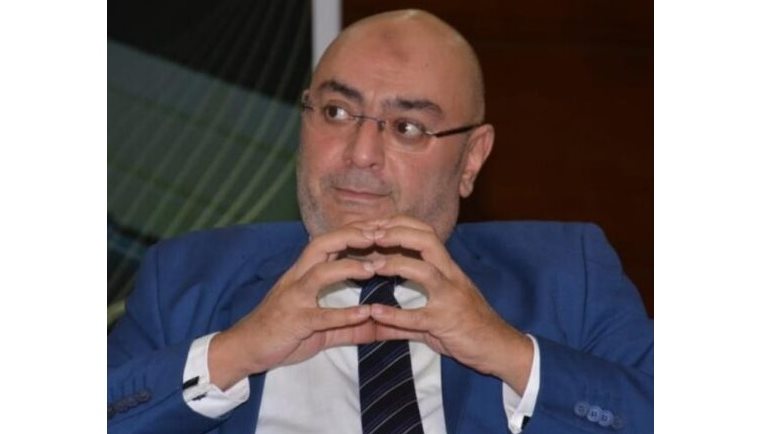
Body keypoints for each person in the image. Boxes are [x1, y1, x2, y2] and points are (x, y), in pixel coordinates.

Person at [107, 9, 653, 434]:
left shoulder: (568, 275)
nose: (361, 154)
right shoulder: (187, 278)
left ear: (471, 159)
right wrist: (234, 353)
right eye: (336, 112)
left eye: (407, 126)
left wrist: (508, 353)